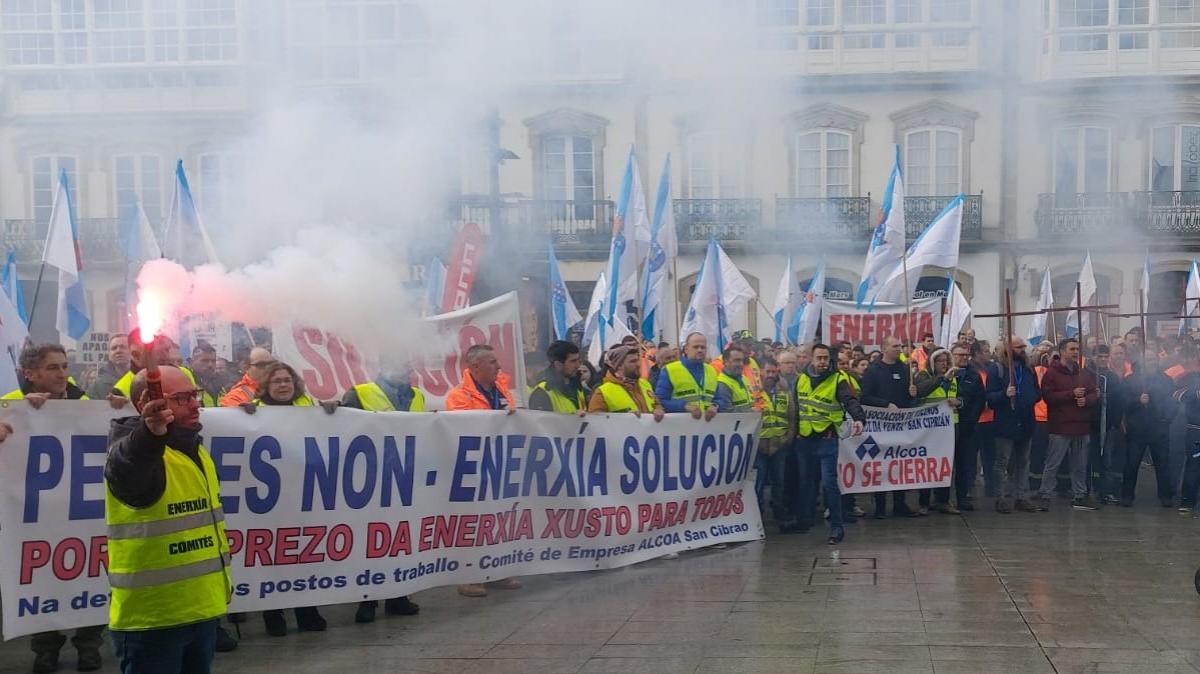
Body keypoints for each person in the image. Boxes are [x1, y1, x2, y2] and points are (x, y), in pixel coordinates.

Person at [105, 366, 232, 674]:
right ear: (147, 403)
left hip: (201, 611)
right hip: (153, 621)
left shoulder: (195, 451)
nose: (195, 404)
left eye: (195, 395)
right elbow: (129, 465)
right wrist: (150, 434)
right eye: (182, 398)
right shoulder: (138, 452)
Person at [3, 345, 106, 673]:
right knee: (40, 581)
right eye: (52, 368)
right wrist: (21, 416)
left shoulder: (85, 403)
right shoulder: (9, 404)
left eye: (64, 366)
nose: (62, 374)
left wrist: (117, 408)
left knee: (90, 573)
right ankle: (45, 648)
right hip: (32, 514)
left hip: (82, 511)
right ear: (30, 374)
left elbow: (112, 431)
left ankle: (89, 645)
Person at [339, 363, 424, 623]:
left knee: (400, 539)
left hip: (406, 477)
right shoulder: (359, 393)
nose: (402, 368)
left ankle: (398, 595)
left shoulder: (417, 395)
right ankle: (367, 600)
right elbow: (343, 430)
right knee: (370, 540)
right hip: (369, 479)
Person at [445, 344, 521, 596]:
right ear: (475, 367)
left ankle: (497, 570)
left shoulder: (502, 391)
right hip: (472, 468)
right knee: (472, 522)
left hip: (500, 464)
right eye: (492, 363)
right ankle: (469, 576)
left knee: (500, 518)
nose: (498, 367)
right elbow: (463, 427)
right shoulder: (458, 396)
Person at [788, 343, 865, 544]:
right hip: (804, 439)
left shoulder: (838, 379)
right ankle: (804, 521)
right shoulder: (801, 380)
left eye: (825, 358)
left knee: (830, 484)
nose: (822, 362)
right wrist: (794, 433)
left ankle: (837, 528)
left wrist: (859, 418)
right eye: (819, 358)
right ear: (811, 359)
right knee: (806, 483)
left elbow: (850, 401)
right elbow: (796, 408)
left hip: (827, 438)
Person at [1037, 338, 1100, 510]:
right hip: (1061, 425)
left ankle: (1079, 494)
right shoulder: (1052, 373)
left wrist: (1086, 400)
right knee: (1053, 462)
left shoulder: (1083, 373)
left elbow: (1095, 393)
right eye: (1072, 349)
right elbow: (1048, 397)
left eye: (1077, 349)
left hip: (1081, 425)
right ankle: (1045, 494)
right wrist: (1070, 394)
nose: (1075, 352)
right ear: (1062, 351)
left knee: (1080, 464)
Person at [861, 336, 918, 518]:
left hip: (901, 425)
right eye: (895, 346)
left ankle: (899, 503)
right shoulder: (873, 370)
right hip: (880, 427)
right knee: (881, 464)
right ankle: (880, 506)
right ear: (884, 348)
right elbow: (865, 397)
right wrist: (885, 405)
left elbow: (910, 399)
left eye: (900, 346)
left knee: (899, 464)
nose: (899, 349)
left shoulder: (904, 369)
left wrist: (913, 393)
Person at [986, 338, 1042, 514]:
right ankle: (1000, 497)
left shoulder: (1028, 368)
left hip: (1025, 420)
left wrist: (1031, 397)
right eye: (1019, 347)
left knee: (1023, 461)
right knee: (1003, 461)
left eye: (1023, 347)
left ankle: (1021, 496)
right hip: (1006, 422)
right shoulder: (997, 370)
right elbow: (990, 398)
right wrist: (1004, 394)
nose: (1023, 350)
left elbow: (1037, 391)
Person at [1123, 349, 1175, 508]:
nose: (1151, 362)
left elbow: (1172, 401)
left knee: (1163, 464)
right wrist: (1138, 400)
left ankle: (1165, 496)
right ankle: (1127, 496)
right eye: (1148, 359)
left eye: (1153, 359)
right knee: (1132, 464)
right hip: (1137, 430)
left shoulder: (1166, 379)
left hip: (1159, 428)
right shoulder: (1130, 380)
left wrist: (1167, 418)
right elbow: (1123, 402)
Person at [914, 348, 962, 515]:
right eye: (940, 361)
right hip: (928, 427)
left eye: (946, 360)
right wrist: (941, 379)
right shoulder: (923, 375)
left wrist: (959, 401)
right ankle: (924, 502)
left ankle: (942, 500)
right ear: (932, 362)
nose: (944, 364)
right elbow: (921, 391)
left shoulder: (955, 377)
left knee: (946, 464)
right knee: (926, 464)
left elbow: (962, 396)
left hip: (950, 426)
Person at [655, 333, 727, 420]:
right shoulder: (669, 370)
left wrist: (715, 406)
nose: (700, 350)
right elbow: (660, 402)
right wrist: (684, 406)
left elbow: (720, 399)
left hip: (707, 427)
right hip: (681, 427)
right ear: (686, 349)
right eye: (696, 347)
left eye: (703, 347)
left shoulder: (711, 370)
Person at [754, 357, 792, 523]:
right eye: (767, 371)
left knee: (779, 483)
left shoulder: (784, 391)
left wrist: (788, 437)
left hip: (779, 444)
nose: (770, 375)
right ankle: (757, 518)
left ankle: (780, 514)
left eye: (773, 372)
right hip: (759, 446)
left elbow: (792, 416)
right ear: (761, 372)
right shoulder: (753, 391)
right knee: (758, 485)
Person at [1088, 344, 1127, 505]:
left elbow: (1119, 402)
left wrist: (1114, 423)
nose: (1103, 360)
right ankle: (1088, 488)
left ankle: (1104, 490)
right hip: (1089, 424)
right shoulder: (1086, 375)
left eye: (1105, 357)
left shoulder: (1112, 377)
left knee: (1106, 459)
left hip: (1108, 425)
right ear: (1093, 357)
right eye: (1099, 357)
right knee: (1090, 458)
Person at [589, 344, 665, 420]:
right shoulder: (602, 392)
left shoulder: (645, 384)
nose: (638, 364)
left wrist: (659, 409)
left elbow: (656, 404)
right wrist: (624, 418)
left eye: (638, 360)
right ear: (619, 366)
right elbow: (595, 422)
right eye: (633, 361)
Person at [529, 340, 587, 415]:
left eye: (578, 360)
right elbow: (541, 424)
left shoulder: (578, 388)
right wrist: (572, 419)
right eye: (573, 361)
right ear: (558, 364)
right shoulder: (542, 392)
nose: (578, 366)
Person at [87, 334, 130, 399]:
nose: (118, 351)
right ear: (109, 354)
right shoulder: (98, 385)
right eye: (114, 348)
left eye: (123, 347)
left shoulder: (142, 378)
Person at [715, 345, 755, 412]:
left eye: (742, 360)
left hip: (748, 421)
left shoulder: (744, 378)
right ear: (725, 362)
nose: (741, 364)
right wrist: (751, 412)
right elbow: (727, 413)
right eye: (737, 360)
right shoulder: (722, 383)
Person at [188, 342, 228, 408]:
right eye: (205, 361)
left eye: (213, 361)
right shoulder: (187, 382)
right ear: (192, 362)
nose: (210, 365)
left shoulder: (221, 382)